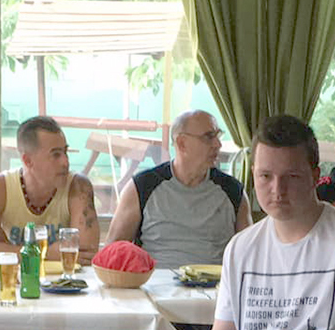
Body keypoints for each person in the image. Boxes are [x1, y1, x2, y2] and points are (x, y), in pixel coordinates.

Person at [199, 115, 335, 330]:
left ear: (315, 176)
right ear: (253, 174)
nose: (277, 190)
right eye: (265, 176)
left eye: (291, 176)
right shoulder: (241, 247)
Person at [104, 109, 247, 269]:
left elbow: (250, 254)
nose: (218, 144)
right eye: (208, 137)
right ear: (182, 143)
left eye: (218, 136)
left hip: (215, 284)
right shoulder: (142, 186)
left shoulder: (233, 191)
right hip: (155, 282)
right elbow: (112, 252)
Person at [0, 115, 101, 262]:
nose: (65, 162)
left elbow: (86, 252)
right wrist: (48, 253)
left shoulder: (78, 187)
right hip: (16, 275)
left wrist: (7, 248)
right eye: (56, 154)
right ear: (28, 160)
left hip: (64, 277)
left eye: (65, 152)